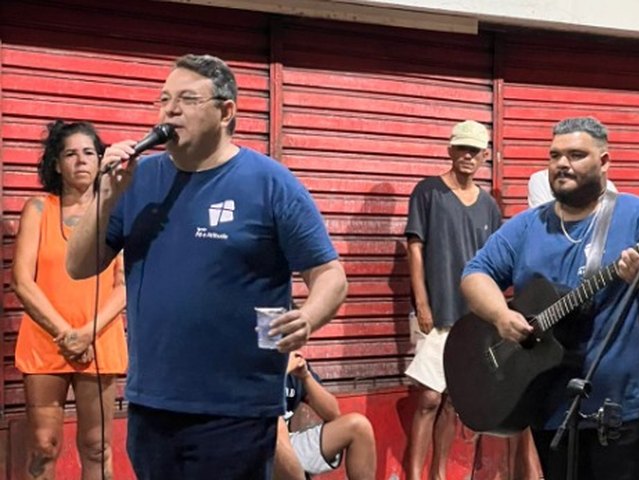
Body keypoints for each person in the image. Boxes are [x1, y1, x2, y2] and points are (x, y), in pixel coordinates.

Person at [65, 54, 348, 479]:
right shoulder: (136, 179)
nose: (170, 110)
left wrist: (308, 317)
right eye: (164, 99)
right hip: (152, 405)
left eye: (187, 99)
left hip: (237, 409)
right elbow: (78, 266)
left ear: (226, 112)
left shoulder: (271, 183)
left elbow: (330, 275)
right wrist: (105, 196)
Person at [461, 116, 639, 480]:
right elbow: (475, 274)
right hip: (552, 404)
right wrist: (500, 316)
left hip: (629, 410)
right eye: (554, 155)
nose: (562, 164)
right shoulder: (527, 226)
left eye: (576, 155)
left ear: (604, 161)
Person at [11, 120, 128, 480]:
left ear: (101, 160)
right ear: (57, 164)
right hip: (46, 340)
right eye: (70, 154)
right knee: (43, 446)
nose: (81, 161)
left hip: (99, 339)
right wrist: (66, 333)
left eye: (89, 153)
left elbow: (124, 285)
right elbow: (21, 281)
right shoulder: (38, 209)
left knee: (97, 446)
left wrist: (86, 333)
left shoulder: (115, 210)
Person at [403, 120, 504, 480]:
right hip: (437, 312)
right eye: (462, 148)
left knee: (452, 402)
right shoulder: (428, 192)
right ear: (450, 150)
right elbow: (415, 247)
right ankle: (415, 475)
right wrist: (422, 302)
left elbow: (495, 263)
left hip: (472, 318)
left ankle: (439, 473)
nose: (468, 156)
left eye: (475, 151)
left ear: (485, 156)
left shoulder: (489, 206)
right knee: (429, 398)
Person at [273, 351, 376, 480]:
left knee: (359, 426)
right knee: (275, 426)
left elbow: (332, 413)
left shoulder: (289, 360)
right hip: (257, 446)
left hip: (288, 442)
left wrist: (306, 376)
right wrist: (281, 372)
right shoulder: (250, 362)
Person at [527, 168, 617, 208]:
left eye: (577, 155)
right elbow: (542, 222)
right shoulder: (541, 179)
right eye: (555, 155)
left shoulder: (608, 186)